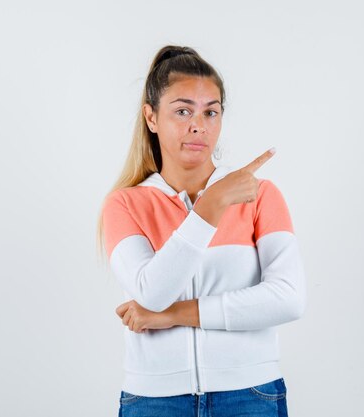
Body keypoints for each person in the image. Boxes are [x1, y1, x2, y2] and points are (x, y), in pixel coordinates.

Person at [96, 45, 306, 417]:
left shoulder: (260, 195)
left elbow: (288, 298)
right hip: (153, 400)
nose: (199, 125)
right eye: (182, 111)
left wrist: (173, 316)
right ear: (151, 117)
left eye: (211, 111)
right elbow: (153, 293)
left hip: (250, 394)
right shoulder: (124, 205)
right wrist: (209, 210)